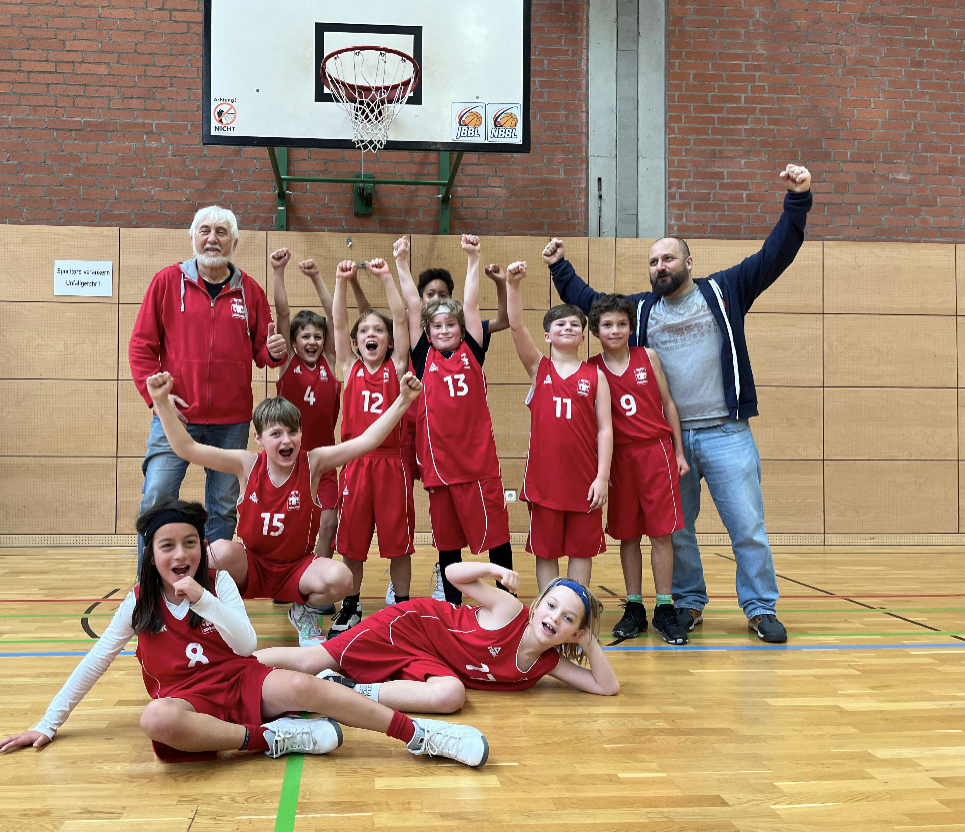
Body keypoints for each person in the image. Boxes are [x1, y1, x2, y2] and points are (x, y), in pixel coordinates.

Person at [0, 501, 489, 768]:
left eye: (189, 543)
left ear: (201, 547)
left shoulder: (219, 583)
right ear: (151, 554)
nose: (180, 554)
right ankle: (270, 739)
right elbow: (96, 661)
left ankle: (421, 735)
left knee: (306, 685)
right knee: (156, 719)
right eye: (167, 545)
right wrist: (48, 723)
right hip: (187, 701)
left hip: (239, 678)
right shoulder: (139, 601)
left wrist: (203, 600)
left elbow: (245, 645)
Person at [543, 164, 813, 643]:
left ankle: (760, 607)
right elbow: (593, 304)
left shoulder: (725, 290)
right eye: (653, 262)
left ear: (689, 261)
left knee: (747, 526)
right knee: (677, 531)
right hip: (668, 441)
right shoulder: (642, 310)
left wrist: (797, 200)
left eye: (668, 258)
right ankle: (687, 603)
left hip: (726, 432)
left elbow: (775, 254)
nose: (660, 267)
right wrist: (560, 268)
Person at [144, 369, 421, 647]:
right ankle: (210, 615)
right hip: (251, 565)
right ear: (259, 438)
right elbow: (188, 448)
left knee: (342, 579)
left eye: (292, 432)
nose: (286, 440)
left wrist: (404, 400)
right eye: (276, 433)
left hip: (297, 569)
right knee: (217, 553)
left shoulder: (313, 463)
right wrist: (161, 401)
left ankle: (303, 612)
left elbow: (367, 441)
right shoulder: (247, 465)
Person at [129, 205, 288, 569]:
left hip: (231, 423)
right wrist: (157, 400)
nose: (212, 239)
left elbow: (263, 352)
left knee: (223, 509)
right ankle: (148, 588)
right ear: (192, 238)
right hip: (175, 420)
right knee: (156, 499)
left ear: (234, 242)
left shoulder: (250, 291)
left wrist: (273, 351)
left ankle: (211, 587)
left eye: (221, 232)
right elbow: (141, 346)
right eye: (205, 231)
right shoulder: (166, 282)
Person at [255, 562, 619, 713]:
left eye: (567, 618)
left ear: (575, 632)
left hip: (431, 662)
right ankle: (236, 663)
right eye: (551, 606)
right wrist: (491, 569)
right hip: (411, 626)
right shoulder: (510, 611)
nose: (554, 617)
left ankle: (347, 689)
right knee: (310, 660)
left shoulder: (548, 662)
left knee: (451, 696)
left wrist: (589, 642)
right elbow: (454, 574)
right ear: (537, 605)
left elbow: (606, 687)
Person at [378, 236, 510, 604]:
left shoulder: (473, 349)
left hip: (479, 467)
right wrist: (401, 262)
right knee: (448, 545)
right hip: (439, 470)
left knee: (498, 539)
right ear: (428, 331)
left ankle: (508, 600)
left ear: (461, 328)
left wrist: (473, 258)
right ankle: (452, 605)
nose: (445, 330)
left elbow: (471, 303)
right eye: (437, 326)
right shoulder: (423, 356)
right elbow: (410, 304)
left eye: (451, 324)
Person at [503, 261, 613, 591]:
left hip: (583, 481)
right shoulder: (540, 369)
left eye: (575, 324)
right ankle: (547, 609)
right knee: (546, 552)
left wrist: (602, 477)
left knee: (581, 551)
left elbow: (605, 429)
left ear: (583, 335)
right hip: (544, 483)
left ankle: (576, 611)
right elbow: (517, 327)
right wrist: (513, 285)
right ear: (548, 336)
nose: (568, 327)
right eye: (560, 323)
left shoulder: (596, 376)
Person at [587, 294, 690, 645]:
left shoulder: (648, 357)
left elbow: (668, 404)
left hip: (656, 452)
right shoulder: (592, 369)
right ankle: (634, 607)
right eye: (607, 325)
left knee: (661, 534)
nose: (615, 330)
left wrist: (679, 452)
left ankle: (664, 607)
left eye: (622, 324)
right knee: (628, 535)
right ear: (596, 330)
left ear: (631, 327)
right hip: (619, 459)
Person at [328, 257, 413, 639]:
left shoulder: (397, 367)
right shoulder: (350, 367)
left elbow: (402, 317)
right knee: (352, 545)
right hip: (355, 465)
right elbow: (338, 323)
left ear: (389, 340)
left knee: (399, 546)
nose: (371, 334)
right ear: (356, 342)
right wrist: (340, 281)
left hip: (392, 466)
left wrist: (386, 277)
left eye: (379, 329)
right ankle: (351, 604)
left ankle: (402, 606)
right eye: (365, 330)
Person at [270, 248, 341, 561]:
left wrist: (316, 277)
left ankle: (320, 577)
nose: (312, 342)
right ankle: (288, 574)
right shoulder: (287, 364)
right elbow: (284, 315)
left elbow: (334, 316)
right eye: (305, 337)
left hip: (323, 461)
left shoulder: (331, 362)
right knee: (291, 527)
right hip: (289, 460)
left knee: (328, 524)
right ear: (293, 342)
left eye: (318, 336)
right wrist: (278, 272)